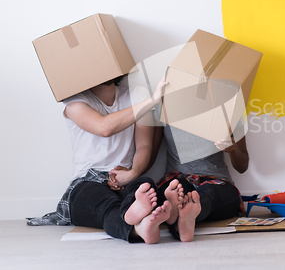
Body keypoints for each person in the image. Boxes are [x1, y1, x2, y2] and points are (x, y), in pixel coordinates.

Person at [27, 76, 181, 244]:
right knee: (106, 206)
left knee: (146, 185)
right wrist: (152, 101)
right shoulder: (74, 102)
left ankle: (141, 218)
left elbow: (144, 146)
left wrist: (132, 173)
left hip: (125, 180)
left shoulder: (137, 94)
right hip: (86, 182)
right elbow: (104, 127)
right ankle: (137, 228)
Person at [151, 120, 249, 242]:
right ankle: (183, 216)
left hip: (217, 180)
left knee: (208, 193)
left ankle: (180, 215)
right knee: (178, 190)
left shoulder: (230, 109)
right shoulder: (163, 106)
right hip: (178, 178)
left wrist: (233, 149)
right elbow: (150, 155)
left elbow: (242, 166)